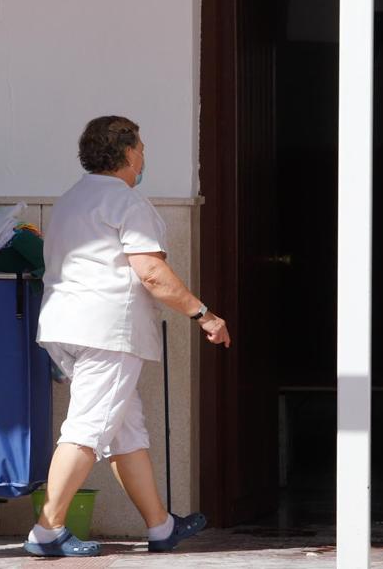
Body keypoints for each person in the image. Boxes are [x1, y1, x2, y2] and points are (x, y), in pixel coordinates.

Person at [25, 116, 231, 558]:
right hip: (108, 331)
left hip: (67, 326)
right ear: (126, 152)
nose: (144, 155)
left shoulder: (69, 200)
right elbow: (152, 273)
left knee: (125, 430)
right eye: (141, 146)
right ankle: (47, 531)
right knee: (87, 429)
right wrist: (204, 315)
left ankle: (160, 525)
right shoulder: (127, 203)